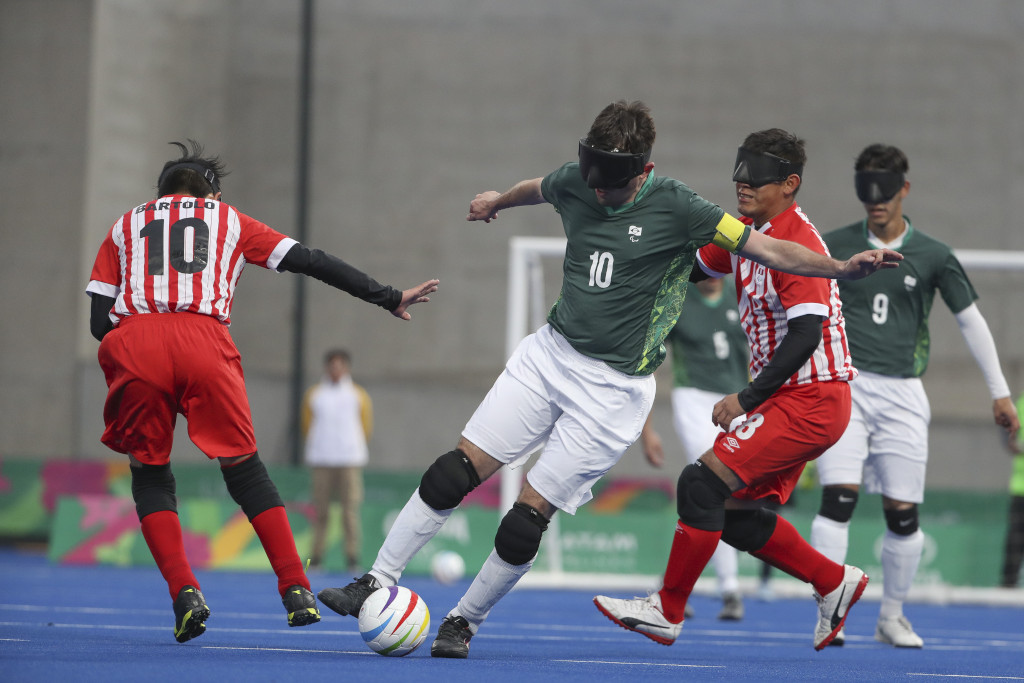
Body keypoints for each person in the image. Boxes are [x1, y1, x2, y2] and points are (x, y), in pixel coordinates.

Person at [317, 103, 899, 659]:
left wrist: (842, 269)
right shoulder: (581, 178)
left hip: (622, 392)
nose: (599, 192)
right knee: (455, 471)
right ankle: (375, 579)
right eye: (593, 178)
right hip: (549, 356)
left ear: (643, 172)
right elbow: (538, 187)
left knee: (532, 517)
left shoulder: (687, 207)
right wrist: (498, 200)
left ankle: (464, 621)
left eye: (612, 184)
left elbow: (774, 253)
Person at [85, 140, 438, 644]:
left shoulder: (123, 226)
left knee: (150, 474)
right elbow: (312, 261)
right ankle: (296, 589)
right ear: (211, 191)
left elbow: (100, 320)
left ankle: (184, 592)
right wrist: (387, 296)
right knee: (244, 470)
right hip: (205, 339)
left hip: (137, 341)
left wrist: (133, 348)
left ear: (161, 191)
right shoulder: (227, 218)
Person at [594, 127, 874, 652]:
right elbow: (694, 268)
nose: (741, 183)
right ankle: (834, 582)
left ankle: (667, 609)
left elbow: (807, 333)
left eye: (756, 176)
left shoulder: (797, 243)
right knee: (732, 515)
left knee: (700, 486)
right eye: (738, 172)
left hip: (812, 398)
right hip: (794, 398)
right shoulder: (747, 230)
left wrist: (747, 398)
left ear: (790, 184)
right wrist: (632, 266)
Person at [808, 143, 1020, 648]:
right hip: (847, 387)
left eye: (885, 190)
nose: (875, 200)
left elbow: (971, 321)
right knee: (837, 499)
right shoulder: (834, 245)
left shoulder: (934, 255)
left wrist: (1001, 393)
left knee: (903, 516)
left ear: (905, 188)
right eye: (866, 190)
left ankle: (892, 616)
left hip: (904, 393)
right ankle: (828, 613)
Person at [640, 277, 750, 620]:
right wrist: (646, 430)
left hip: (741, 401)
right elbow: (645, 363)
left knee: (721, 497)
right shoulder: (676, 301)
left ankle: (672, 584)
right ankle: (729, 589)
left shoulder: (744, 295)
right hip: (694, 401)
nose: (711, 272)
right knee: (712, 488)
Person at [302, 348, 371, 574]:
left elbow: (365, 426)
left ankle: (352, 558)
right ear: (326, 367)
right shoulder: (315, 394)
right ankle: (317, 557)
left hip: (349, 460)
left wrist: (351, 448)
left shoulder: (357, 394)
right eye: (332, 365)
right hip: (322, 460)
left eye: (340, 365)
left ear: (346, 368)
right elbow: (306, 425)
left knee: (349, 511)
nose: (335, 369)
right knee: (320, 511)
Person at [1001, 393, 1024, 588]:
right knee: (1015, 541)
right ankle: (1008, 585)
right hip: (1021, 486)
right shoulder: (1020, 404)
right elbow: (1006, 434)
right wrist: (1014, 444)